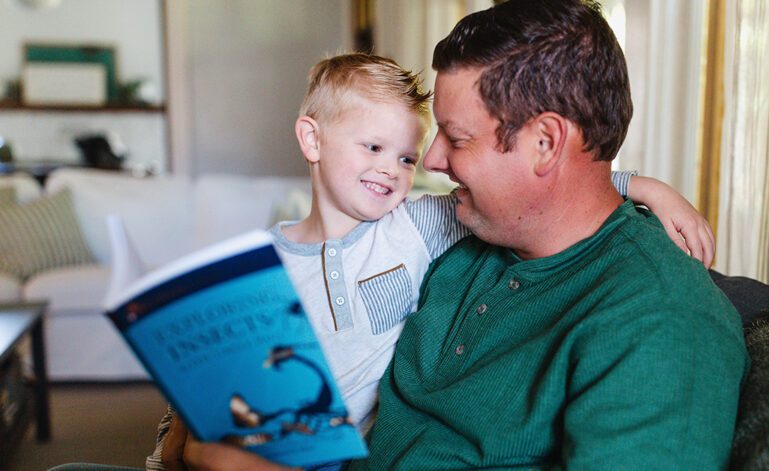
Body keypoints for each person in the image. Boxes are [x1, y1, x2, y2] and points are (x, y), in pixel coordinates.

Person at [144, 50, 712, 471]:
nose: (400, 168)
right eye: (372, 148)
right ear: (312, 141)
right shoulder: (263, 263)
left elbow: (570, 184)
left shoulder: (415, 226)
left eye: (408, 155)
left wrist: (644, 186)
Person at [351, 0, 747, 468]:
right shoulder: (460, 237)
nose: (432, 160)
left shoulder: (659, 319)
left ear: (545, 144)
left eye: (456, 139)